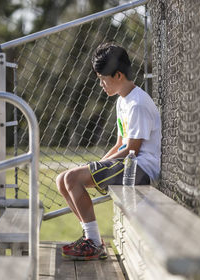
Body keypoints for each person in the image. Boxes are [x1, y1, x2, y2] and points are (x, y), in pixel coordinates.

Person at [56, 42, 161, 260]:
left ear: (119, 75)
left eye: (104, 79)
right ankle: (89, 237)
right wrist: (97, 164)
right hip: (128, 163)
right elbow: (120, 142)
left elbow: (132, 149)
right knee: (62, 179)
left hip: (141, 168)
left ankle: (94, 243)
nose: (101, 85)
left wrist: (95, 168)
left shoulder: (138, 104)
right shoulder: (122, 101)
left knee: (73, 179)